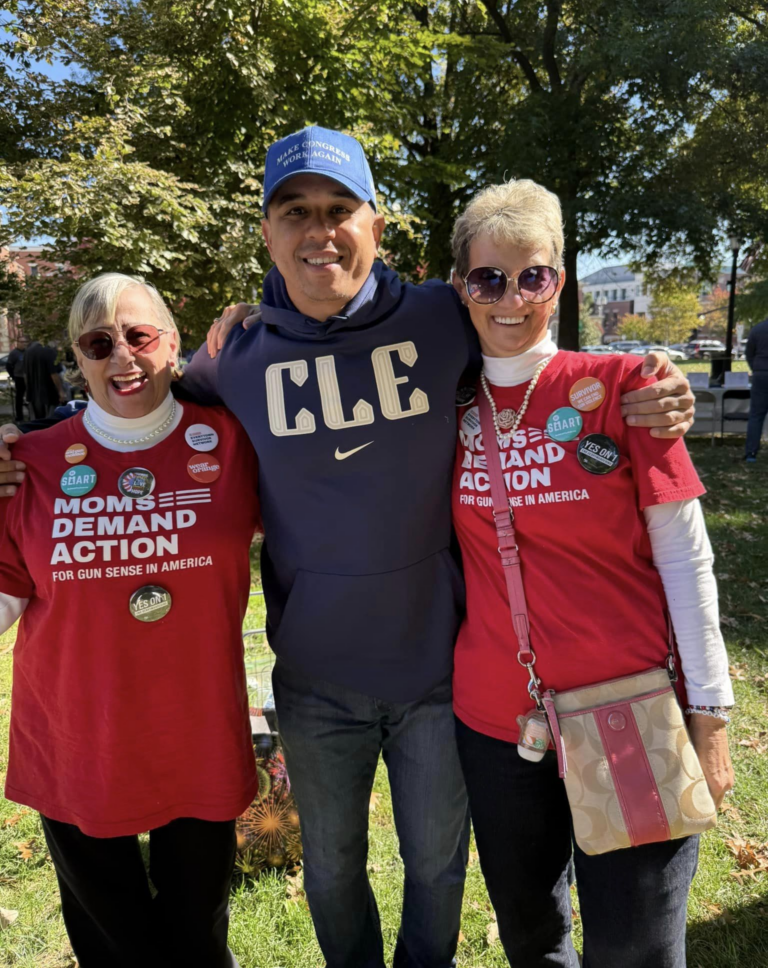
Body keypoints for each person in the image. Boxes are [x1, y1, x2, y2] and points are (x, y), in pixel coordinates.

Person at [0, 128, 697, 968]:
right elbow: (134, 415)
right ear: (268, 233)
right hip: (316, 680)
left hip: (439, 670)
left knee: (437, 869)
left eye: (339, 210)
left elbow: (531, 343)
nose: (317, 230)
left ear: (375, 225)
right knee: (331, 870)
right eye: (295, 212)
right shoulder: (236, 356)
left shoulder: (446, 317)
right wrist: (22, 464)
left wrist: (647, 380)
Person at [447, 179, 734, 968]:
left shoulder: (627, 390)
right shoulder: (440, 403)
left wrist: (708, 710)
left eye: (531, 276)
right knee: (533, 938)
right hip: (497, 724)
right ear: (461, 289)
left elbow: (686, 555)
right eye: (488, 279)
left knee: (635, 947)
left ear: (559, 281)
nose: (510, 298)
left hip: (629, 708)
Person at [0, 273, 260, 968]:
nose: (123, 357)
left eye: (140, 335)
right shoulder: (31, 466)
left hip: (197, 736)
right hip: (77, 744)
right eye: (97, 342)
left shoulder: (234, 444)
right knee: (115, 947)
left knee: (197, 937)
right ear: (75, 359)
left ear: (173, 344)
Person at [23, 338, 66, 418]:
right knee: (50, 420)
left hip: (33, 393)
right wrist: (60, 391)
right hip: (48, 393)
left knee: (37, 420)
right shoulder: (49, 351)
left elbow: (25, 374)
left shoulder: (28, 352)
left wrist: (27, 389)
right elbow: (54, 374)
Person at [744, 317, 768, 461]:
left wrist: (756, 368)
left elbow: (749, 353)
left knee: (756, 416)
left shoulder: (758, 329)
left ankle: (751, 453)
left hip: (761, 374)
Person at [5, 337, 27, 421]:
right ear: (17, 343)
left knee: (30, 396)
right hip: (19, 377)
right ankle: (19, 416)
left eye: (25, 342)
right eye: (21, 342)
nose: (23, 344)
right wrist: (13, 376)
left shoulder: (27, 352)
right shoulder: (14, 353)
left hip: (28, 378)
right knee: (19, 398)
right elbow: (8, 366)